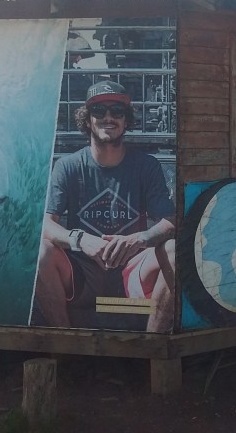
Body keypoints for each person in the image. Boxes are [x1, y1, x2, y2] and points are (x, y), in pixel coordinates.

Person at [35, 81, 176, 332]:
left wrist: (139, 239)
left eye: (117, 111)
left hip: (133, 275)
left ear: (126, 120)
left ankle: (154, 351)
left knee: (174, 250)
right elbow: (45, 224)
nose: (108, 117)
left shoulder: (147, 165)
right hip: (83, 275)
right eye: (99, 111)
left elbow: (170, 221)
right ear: (87, 120)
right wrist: (80, 240)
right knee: (40, 253)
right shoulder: (67, 166)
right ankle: (66, 349)